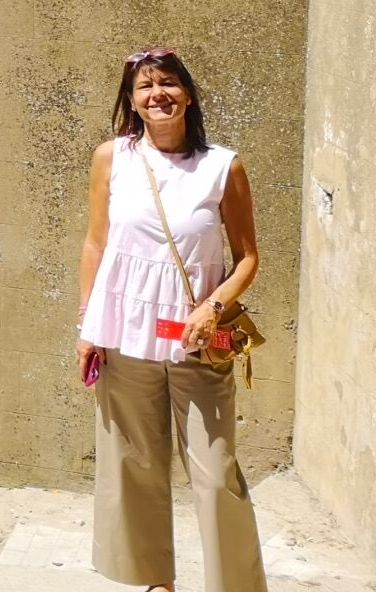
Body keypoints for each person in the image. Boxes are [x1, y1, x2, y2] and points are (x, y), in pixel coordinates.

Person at [75, 48, 265, 592]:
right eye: (144, 86)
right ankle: (155, 582)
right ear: (131, 101)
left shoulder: (222, 167)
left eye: (168, 83)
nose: (157, 94)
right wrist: (88, 327)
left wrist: (212, 307)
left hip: (196, 343)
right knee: (133, 464)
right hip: (123, 336)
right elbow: (95, 243)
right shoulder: (112, 157)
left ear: (187, 94)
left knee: (215, 474)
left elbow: (248, 257)